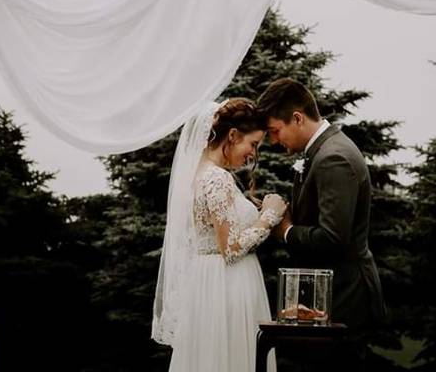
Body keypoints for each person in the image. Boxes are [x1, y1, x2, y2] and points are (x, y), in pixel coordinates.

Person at [258, 78, 386, 367]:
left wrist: (286, 230)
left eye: (275, 131)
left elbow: (332, 238)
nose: (275, 141)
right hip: (335, 294)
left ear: (297, 118)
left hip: (346, 297)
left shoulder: (333, 158)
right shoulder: (323, 151)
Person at [153, 98, 286, 372]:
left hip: (209, 281)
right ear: (233, 135)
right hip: (226, 284)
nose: (253, 154)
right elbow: (232, 248)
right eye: (253, 144)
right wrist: (269, 216)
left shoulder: (200, 174)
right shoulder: (217, 178)